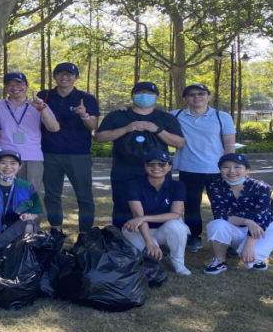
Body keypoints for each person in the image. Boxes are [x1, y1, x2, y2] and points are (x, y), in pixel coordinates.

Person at [95, 81, 185, 228]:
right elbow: (100, 137)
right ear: (132, 96)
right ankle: (122, 238)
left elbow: (179, 143)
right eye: (140, 93)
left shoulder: (166, 118)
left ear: (156, 97)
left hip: (157, 170)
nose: (145, 96)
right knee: (122, 205)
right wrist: (126, 129)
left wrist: (157, 130)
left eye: (150, 94)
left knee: (159, 205)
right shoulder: (118, 116)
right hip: (124, 169)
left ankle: (159, 238)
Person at [171, 83, 237, 252]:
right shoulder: (175, 115)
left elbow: (229, 144)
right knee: (192, 206)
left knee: (221, 206)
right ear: (185, 99)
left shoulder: (222, 117)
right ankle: (194, 237)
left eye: (201, 93)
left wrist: (230, 168)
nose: (197, 97)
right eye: (192, 94)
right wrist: (126, 110)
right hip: (189, 169)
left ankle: (225, 239)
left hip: (216, 170)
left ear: (209, 97)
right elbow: (151, 118)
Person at [37, 62, 100, 232]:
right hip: (50, 153)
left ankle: (85, 234)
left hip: (78, 154)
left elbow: (93, 126)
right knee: (52, 196)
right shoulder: (44, 95)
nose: (64, 77)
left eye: (69, 74)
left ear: (76, 77)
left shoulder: (86, 98)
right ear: (55, 76)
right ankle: (56, 231)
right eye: (60, 74)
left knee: (84, 197)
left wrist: (84, 115)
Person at [204, 153, 273, 274]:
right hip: (236, 227)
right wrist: (247, 221)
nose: (231, 171)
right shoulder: (215, 186)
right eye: (226, 167)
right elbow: (220, 214)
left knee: (251, 260)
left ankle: (258, 257)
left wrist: (250, 244)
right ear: (220, 170)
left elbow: (261, 218)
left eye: (237, 167)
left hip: (263, 228)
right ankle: (219, 261)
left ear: (247, 170)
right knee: (217, 224)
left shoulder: (261, 187)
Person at [0, 72, 59, 210]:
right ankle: (3, 227)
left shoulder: (39, 105)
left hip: (32, 157)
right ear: (5, 87)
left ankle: (31, 228)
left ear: (27, 86)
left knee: (30, 195)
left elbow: (54, 128)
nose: (15, 87)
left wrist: (41, 108)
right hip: (4, 157)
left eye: (19, 84)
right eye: (10, 84)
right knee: (1, 194)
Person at [121, 150, 191, 276]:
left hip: (163, 228)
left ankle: (178, 263)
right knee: (152, 261)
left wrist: (144, 218)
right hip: (138, 229)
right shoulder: (133, 184)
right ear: (145, 166)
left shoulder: (178, 186)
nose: (156, 167)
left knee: (178, 226)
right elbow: (138, 216)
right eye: (151, 164)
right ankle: (158, 252)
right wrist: (150, 242)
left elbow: (175, 214)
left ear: (169, 167)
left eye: (161, 164)